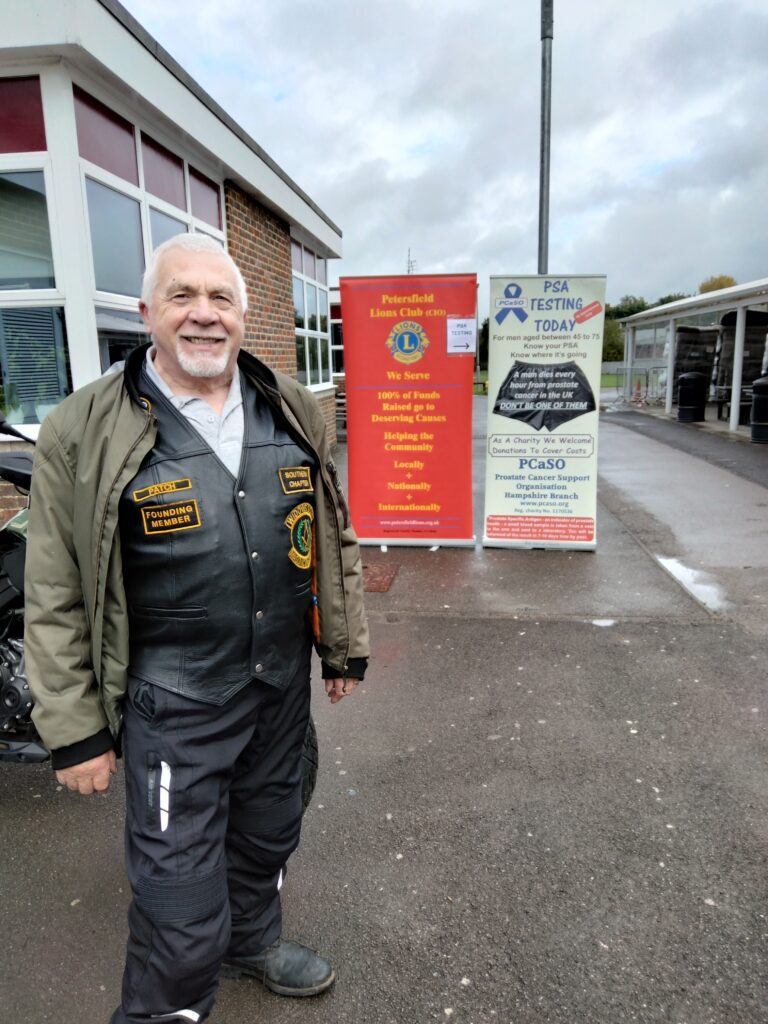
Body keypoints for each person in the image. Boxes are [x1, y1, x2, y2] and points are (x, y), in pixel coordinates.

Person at [24, 234, 370, 1024]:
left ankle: (251, 941)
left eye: (221, 299)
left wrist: (343, 647)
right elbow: (53, 586)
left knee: (267, 836)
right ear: (147, 313)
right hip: (171, 704)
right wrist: (75, 730)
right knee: (177, 898)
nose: (204, 315)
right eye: (182, 296)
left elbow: (332, 534)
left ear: (245, 317)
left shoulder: (291, 405)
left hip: (278, 688)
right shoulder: (81, 428)